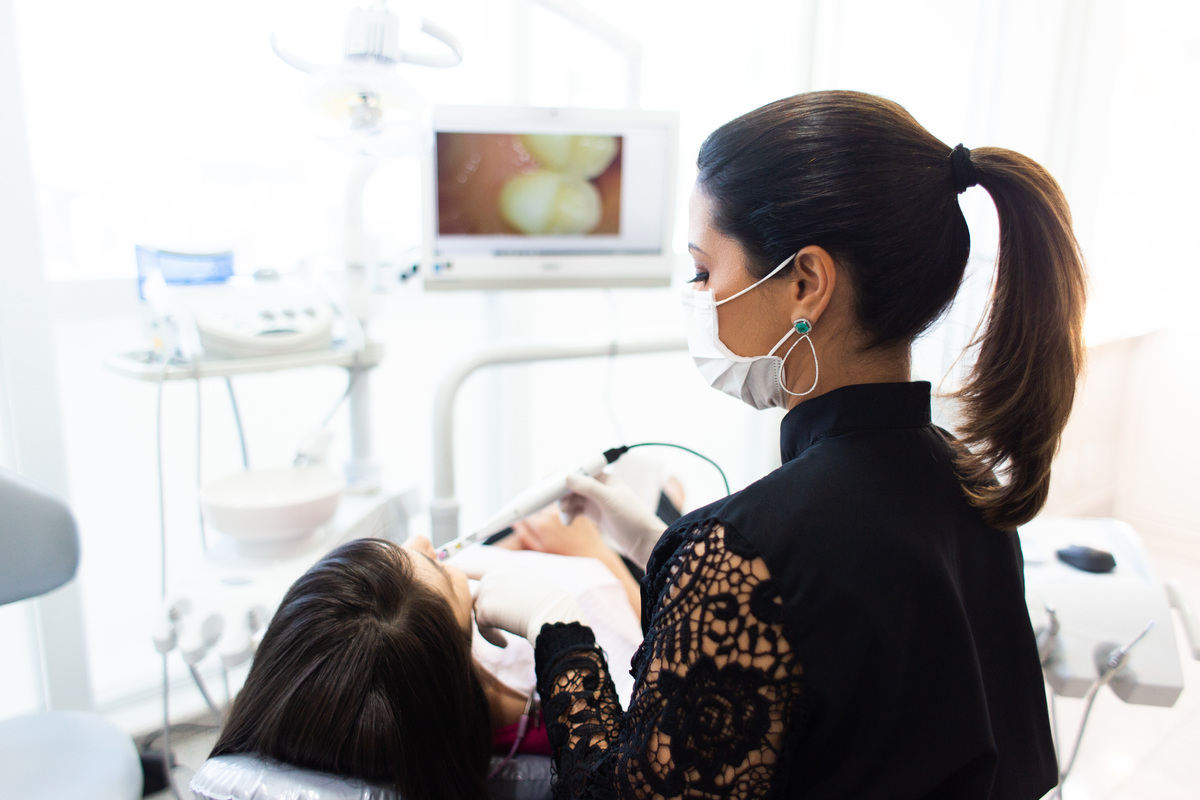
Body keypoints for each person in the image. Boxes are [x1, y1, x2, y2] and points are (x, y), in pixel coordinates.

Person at [470, 90, 1085, 799]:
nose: (696, 296)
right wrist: (656, 545)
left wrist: (554, 624)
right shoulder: (962, 478)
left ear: (805, 283)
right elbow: (837, 638)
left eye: (704, 271)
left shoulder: (742, 548)